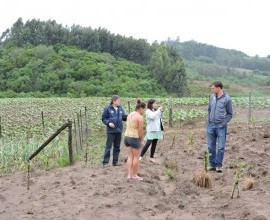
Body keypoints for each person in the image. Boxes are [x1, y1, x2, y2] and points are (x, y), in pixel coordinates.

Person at [207, 81, 233, 173]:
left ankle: (218, 165)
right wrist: (209, 121)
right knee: (210, 146)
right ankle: (212, 164)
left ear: (219, 88)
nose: (212, 89)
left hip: (221, 126)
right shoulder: (212, 97)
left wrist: (223, 123)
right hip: (211, 125)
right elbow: (209, 110)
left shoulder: (227, 99)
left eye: (213, 88)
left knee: (221, 147)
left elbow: (230, 114)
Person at [102, 95, 128, 167]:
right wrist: (108, 123)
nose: (119, 102)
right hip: (111, 131)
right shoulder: (107, 108)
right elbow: (104, 119)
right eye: (118, 101)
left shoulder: (120, 108)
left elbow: (123, 117)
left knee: (117, 147)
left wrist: (129, 116)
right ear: (114, 101)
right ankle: (105, 162)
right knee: (108, 146)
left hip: (119, 130)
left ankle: (115, 162)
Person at [124, 100, 146, 180]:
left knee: (130, 156)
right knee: (136, 157)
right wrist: (142, 140)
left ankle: (129, 175)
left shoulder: (130, 114)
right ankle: (135, 175)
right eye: (144, 109)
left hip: (126, 137)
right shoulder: (139, 117)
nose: (144, 111)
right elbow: (140, 131)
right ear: (140, 108)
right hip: (134, 138)